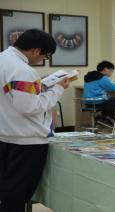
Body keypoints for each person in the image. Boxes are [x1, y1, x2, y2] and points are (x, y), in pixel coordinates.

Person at [0, 29, 70, 212]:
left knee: (7, 188)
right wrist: (58, 90)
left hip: (5, 133)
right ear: (36, 50)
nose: (41, 60)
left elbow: (10, 92)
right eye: (45, 56)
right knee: (17, 192)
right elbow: (30, 107)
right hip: (25, 140)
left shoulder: (4, 59)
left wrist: (41, 83)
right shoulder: (23, 70)